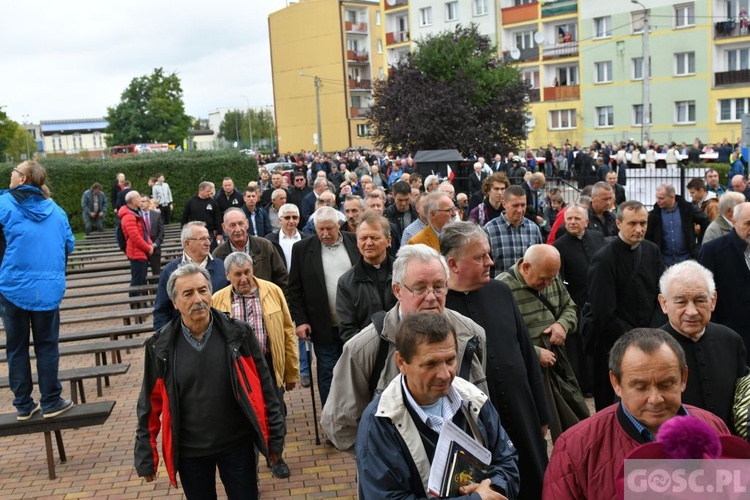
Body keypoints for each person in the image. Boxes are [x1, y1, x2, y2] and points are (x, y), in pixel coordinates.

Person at [134, 264, 284, 498]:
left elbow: (266, 390)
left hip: (237, 445)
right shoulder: (160, 347)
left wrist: (275, 440)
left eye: (203, 291)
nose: (199, 299)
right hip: (190, 452)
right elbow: (148, 405)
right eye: (188, 293)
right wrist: (145, 455)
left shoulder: (239, 335)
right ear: (174, 303)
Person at [321, 244, 488, 453]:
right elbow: (340, 424)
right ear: (398, 290)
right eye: (419, 288)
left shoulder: (471, 335)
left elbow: (482, 408)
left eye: (438, 286)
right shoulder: (363, 348)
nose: (431, 296)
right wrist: (383, 463)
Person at [543, 329, 730, 500]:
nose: (655, 399)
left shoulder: (714, 427)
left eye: (666, 385)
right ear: (616, 383)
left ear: (683, 378)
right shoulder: (576, 447)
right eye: (640, 387)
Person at [356, 313, 520, 499]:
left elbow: (507, 460)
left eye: (450, 360)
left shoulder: (474, 399)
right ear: (401, 362)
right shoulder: (380, 422)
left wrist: (493, 488)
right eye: (430, 364)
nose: (444, 374)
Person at [442, 222, 550, 500]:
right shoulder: (440, 308)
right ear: (453, 264)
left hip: (521, 410)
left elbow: (526, 352)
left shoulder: (501, 291)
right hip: (477, 423)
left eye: (488, 254)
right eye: (480, 257)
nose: (490, 262)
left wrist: (541, 412)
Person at [212, 252, 299, 479]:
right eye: (238, 274)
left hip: (268, 364)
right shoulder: (218, 299)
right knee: (245, 419)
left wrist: (291, 371)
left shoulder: (272, 291)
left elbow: (288, 331)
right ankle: (249, 469)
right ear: (228, 275)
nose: (244, 278)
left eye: (247, 272)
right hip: (238, 369)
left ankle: (276, 457)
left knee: (275, 413)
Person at [0, 161, 76, 420]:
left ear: (23, 180)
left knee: (16, 347)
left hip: (12, 287)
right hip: (48, 289)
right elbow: (69, 245)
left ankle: (23, 404)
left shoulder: (3, 205)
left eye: (15, 171)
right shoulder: (56, 211)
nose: (11, 174)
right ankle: (51, 400)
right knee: (46, 346)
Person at [497, 245, 589, 441]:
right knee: (535, 428)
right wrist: (535, 354)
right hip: (525, 374)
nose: (548, 283)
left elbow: (570, 307)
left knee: (573, 419)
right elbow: (501, 338)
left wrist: (562, 325)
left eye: (552, 277)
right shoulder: (502, 289)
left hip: (557, 366)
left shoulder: (551, 279)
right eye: (543, 278)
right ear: (526, 267)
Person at [588, 201, 666, 411]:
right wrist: (637, 339)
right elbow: (604, 312)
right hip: (616, 345)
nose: (639, 229)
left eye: (643, 223)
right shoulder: (603, 259)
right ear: (619, 223)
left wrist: (653, 332)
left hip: (653, 339)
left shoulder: (652, 251)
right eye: (632, 223)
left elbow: (662, 296)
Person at [657, 260, 748, 429]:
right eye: (681, 302)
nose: (691, 312)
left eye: (700, 300)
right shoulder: (648, 349)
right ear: (664, 303)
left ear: (713, 301)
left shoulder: (730, 340)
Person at [287, 206, 359, 407]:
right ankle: (331, 420)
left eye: (330, 229)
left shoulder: (354, 241)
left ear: (338, 225)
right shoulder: (302, 249)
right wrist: (300, 321)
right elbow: (294, 289)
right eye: (321, 229)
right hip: (322, 324)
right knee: (328, 372)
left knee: (356, 372)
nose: (325, 234)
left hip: (355, 324)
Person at [552, 204, 606, 392]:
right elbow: (560, 279)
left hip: (601, 300)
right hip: (577, 302)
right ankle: (585, 385)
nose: (572, 222)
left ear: (586, 221)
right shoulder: (560, 245)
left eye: (576, 219)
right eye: (569, 219)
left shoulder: (598, 237)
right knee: (580, 349)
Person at [265, 203, 313, 388]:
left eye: (295, 217)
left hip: (304, 291)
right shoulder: (270, 240)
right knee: (283, 331)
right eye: (287, 218)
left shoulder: (308, 239)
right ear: (280, 220)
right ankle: (287, 369)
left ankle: (305, 371)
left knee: (303, 330)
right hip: (280, 292)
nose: (291, 221)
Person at [153, 222, 229, 331]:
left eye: (208, 238)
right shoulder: (170, 270)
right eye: (202, 239)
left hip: (220, 332)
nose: (208, 243)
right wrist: (165, 340)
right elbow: (161, 310)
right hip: (183, 335)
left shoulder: (221, 266)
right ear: (187, 243)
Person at [699, 202, 750, 363]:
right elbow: (704, 294)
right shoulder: (713, 250)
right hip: (728, 336)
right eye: (748, 224)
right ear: (734, 222)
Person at [336, 212, 397, 343]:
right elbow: (347, 329)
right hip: (367, 355)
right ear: (357, 242)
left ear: (388, 241)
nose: (368, 243)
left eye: (374, 237)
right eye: (363, 238)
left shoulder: (404, 273)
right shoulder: (346, 282)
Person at [213, 208, 288, 291]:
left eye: (241, 224)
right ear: (224, 228)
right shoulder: (218, 254)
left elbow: (282, 278)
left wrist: (280, 302)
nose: (238, 229)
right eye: (232, 225)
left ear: (247, 224)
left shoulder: (265, 246)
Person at [484, 184, 543, 273]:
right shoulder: (489, 230)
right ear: (504, 204)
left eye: (523, 205)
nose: (520, 210)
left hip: (527, 286)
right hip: (500, 285)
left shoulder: (533, 229)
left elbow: (539, 261)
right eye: (515, 205)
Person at [646, 183, 708, 265]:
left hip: (687, 260)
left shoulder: (687, 209)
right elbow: (648, 236)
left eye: (661, 198)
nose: (658, 201)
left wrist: (699, 245)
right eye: (657, 197)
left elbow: (706, 222)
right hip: (664, 261)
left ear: (672, 197)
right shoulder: (655, 214)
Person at [119, 190, 154, 290]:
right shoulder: (129, 216)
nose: (141, 200)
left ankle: (140, 303)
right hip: (136, 253)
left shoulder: (135, 213)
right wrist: (148, 248)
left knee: (141, 280)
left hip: (140, 252)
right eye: (138, 198)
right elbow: (135, 237)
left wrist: (150, 243)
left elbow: (144, 232)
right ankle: (135, 304)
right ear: (133, 201)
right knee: (137, 282)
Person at [181, 181, 223, 248]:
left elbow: (217, 217)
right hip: (195, 233)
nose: (210, 193)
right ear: (201, 190)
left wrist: (219, 232)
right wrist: (183, 230)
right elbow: (184, 217)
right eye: (208, 191)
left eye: (210, 191)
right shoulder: (191, 202)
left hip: (210, 232)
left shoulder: (213, 202)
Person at [140, 194, 164, 275]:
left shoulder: (156, 215)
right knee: (142, 274)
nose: (141, 203)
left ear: (149, 203)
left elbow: (161, 233)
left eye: (143, 201)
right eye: (140, 201)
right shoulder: (137, 215)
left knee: (156, 273)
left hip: (155, 249)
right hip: (142, 249)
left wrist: (154, 245)